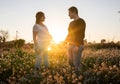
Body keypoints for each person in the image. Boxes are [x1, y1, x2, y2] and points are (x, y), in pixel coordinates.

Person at [65, 6, 86, 73]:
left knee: (76, 64)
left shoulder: (81, 21)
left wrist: (77, 45)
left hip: (77, 45)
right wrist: (64, 43)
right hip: (70, 45)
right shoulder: (71, 23)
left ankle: (80, 78)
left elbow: (81, 34)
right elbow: (69, 34)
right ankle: (73, 78)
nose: (68, 15)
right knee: (70, 63)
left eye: (69, 13)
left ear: (74, 12)